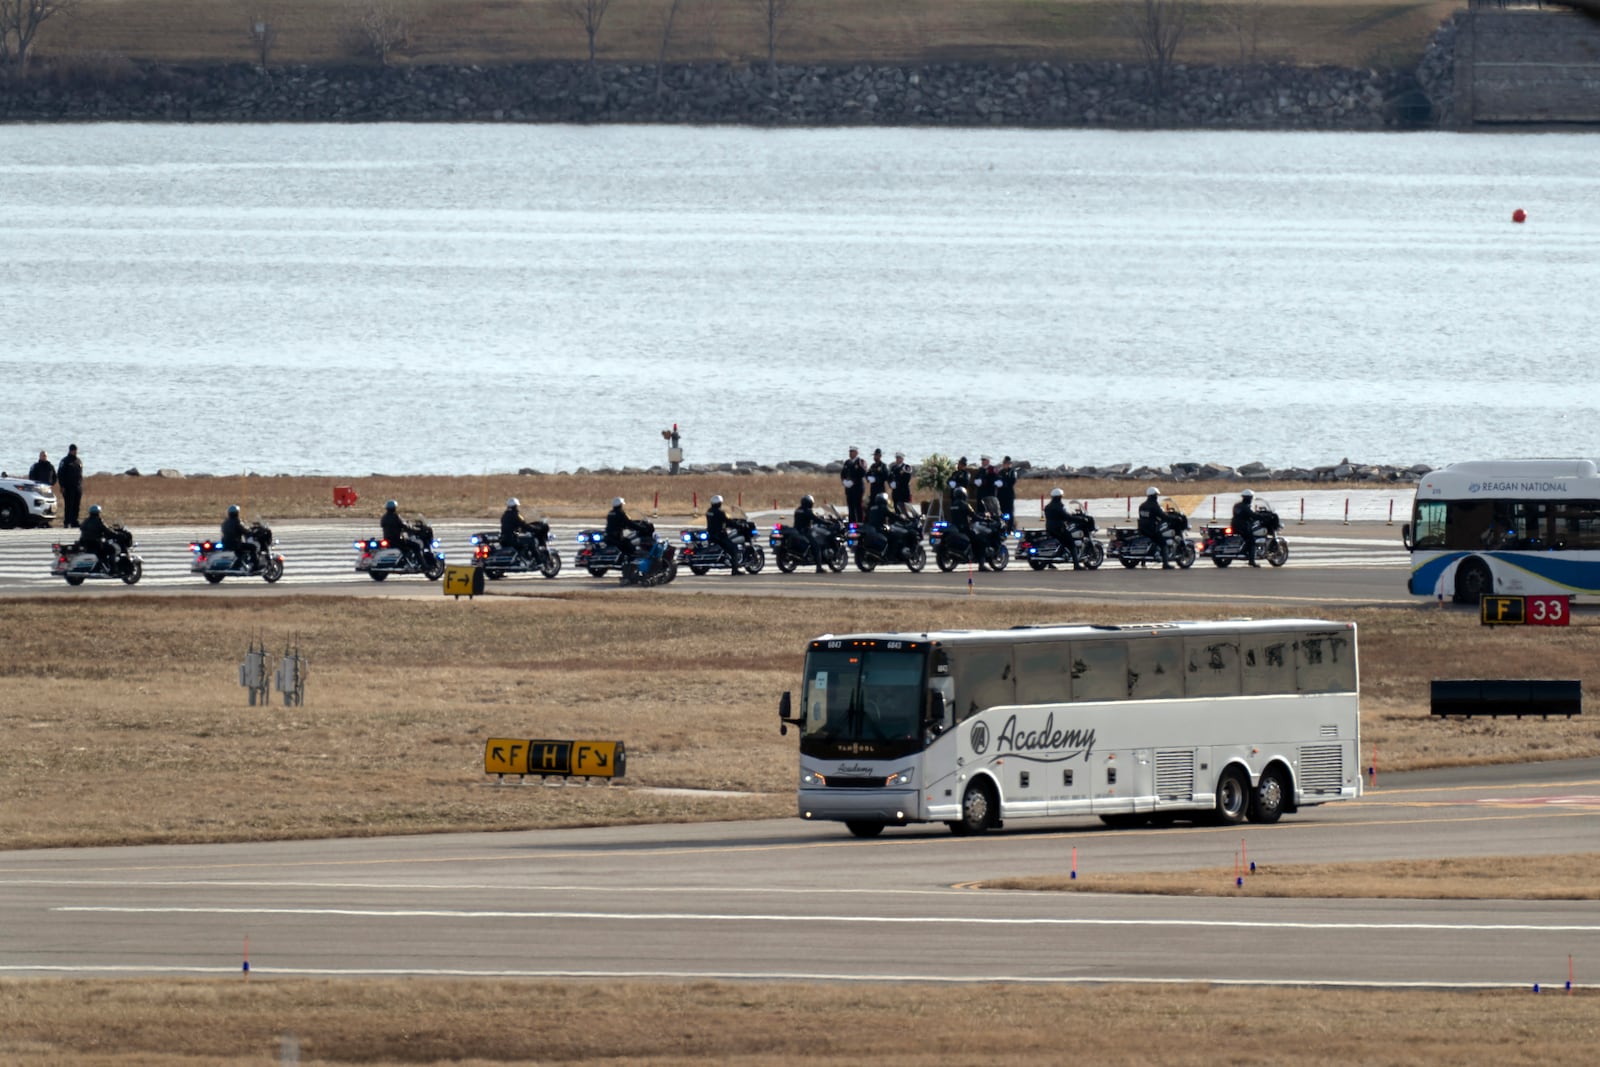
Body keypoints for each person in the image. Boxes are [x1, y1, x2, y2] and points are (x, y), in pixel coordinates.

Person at [1044, 488, 1082, 570]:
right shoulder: (1060, 506)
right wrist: (1079, 519)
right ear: (1060, 496)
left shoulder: (1048, 507)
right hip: (1059, 528)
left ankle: (1050, 563)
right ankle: (1076, 564)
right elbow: (1066, 517)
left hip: (1049, 528)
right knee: (1071, 544)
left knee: (1057, 543)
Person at [706, 494, 743, 575]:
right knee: (734, 549)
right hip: (719, 535)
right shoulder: (720, 512)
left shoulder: (709, 511)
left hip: (711, 534)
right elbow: (727, 522)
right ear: (719, 503)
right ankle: (735, 570)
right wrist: (737, 524)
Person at [791, 494, 828, 574]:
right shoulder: (808, 511)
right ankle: (819, 567)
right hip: (805, 531)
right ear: (810, 503)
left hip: (796, 530)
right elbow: (817, 519)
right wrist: (827, 522)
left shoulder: (798, 510)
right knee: (817, 546)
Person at [381, 499, 423, 569]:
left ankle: (408, 561)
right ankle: (422, 565)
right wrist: (414, 529)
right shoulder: (395, 516)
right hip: (397, 540)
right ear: (394, 508)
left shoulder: (384, 517)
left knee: (407, 546)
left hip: (388, 540)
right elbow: (403, 525)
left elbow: (384, 525)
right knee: (416, 546)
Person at [1138, 486, 1174, 569]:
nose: (1157, 496)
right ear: (1154, 495)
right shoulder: (1154, 506)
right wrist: (1170, 518)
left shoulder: (1142, 505)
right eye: (1156, 495)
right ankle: (1165, 564)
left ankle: (1144, 561)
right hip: (1151, 529)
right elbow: (1162, 516)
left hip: (1142, 528)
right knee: (1163, 543)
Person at [946, 485, 981, 567]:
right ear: (964, 495)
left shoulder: (952, 505)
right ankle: (981, 563)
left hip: (955, 527)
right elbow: (973, 515)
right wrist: (982, 518)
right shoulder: (964, 504)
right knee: (979, 540)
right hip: (964, 527)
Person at [500, 497, 543, 561]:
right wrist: (535, 529)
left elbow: (512, 526)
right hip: (512, 539)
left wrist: (519, 529)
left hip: (504, 538)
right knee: (531, 541)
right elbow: (524, 525)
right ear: (515, 506)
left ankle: (523, 557)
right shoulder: (516, 515)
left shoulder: (505, 515)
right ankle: (539, 561)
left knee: (523, 541)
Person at [77, 503, 119, 570]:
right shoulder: (99, 521)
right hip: (95, 543)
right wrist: (116, 534)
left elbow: (81, 528)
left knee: (102, 551)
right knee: (112, 549)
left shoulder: (86, 521)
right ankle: (113, 569)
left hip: (84, 542)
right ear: (98, 513)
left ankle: (103, 565)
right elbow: (107, 530)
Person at [605, 497, 643, 561]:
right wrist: (641, 528)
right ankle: (629, 561)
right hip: (617, 536)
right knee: (629, 544)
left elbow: (616, 523)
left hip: (609, 535)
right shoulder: (620, 513)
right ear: (620, 505)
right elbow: (629, 523)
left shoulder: (610, 513)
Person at [221, 504, 257, 571]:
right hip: (235, 544)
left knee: (243, 550)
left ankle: (242, 563)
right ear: (237, 513)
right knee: (253, 547)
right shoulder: (237, 522)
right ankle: (255, 566)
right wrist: (251, 532)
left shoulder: (225, 522)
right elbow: (244, 531)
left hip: (226, 543)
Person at [1232, 488, 1261, 567]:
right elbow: (1253, 515)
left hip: (1234, 525)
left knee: (1247, 538)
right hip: (1243, 526)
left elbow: (1243, 515)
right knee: (1252, 541)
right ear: (1249, 498)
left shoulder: (1237, 505)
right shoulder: (1245, 507)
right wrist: (1262, 516)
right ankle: (1252, 561)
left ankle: (1244, 551)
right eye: (1251, 498)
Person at [57, 444, 83, 528]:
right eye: (73, 450)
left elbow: (80, 474)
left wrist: (80, 485)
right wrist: (62, 486)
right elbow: (60, 474)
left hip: (77, 486)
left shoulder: (78, 461)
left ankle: (74, 521)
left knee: (76, 505)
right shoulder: (65, 461)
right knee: (69, 505)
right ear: (70, 450)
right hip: (68, 487)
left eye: (76, 450)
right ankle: (67, 521)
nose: (75, 452)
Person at [861, 492, 892, 561]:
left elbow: (866, 518)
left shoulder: (872, 508)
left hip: (871, 527)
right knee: (891, 537)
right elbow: (892, 515)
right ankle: (886, 554)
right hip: (879, 528)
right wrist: (903, 519)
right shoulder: (883, 508)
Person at [840, 447, 867, 523]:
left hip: (857, 488)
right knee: (850, 507)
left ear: (856, 453)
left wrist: (853, 481)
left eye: (852, 452)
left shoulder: (861, 461)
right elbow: (843, 473)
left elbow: (862, 473)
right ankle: (852, 524)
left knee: (858, 507)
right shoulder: (847, 462)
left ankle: (860, 523)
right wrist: (844, 481)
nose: (850, 453)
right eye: (850, 452)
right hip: (849, 489)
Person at [996, 456, 1018, 531]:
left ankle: (1010, 527)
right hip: (1001, 495)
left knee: (1009, 511)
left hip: (1008, 495)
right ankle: (1002, 527)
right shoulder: (1000, 472)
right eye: (1004, 463)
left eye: (1007, 463)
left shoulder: (1012, 471)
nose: (1005, 465)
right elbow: (997, 479)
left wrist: (1004, 483)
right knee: (1001, 511)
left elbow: (1012, 481)